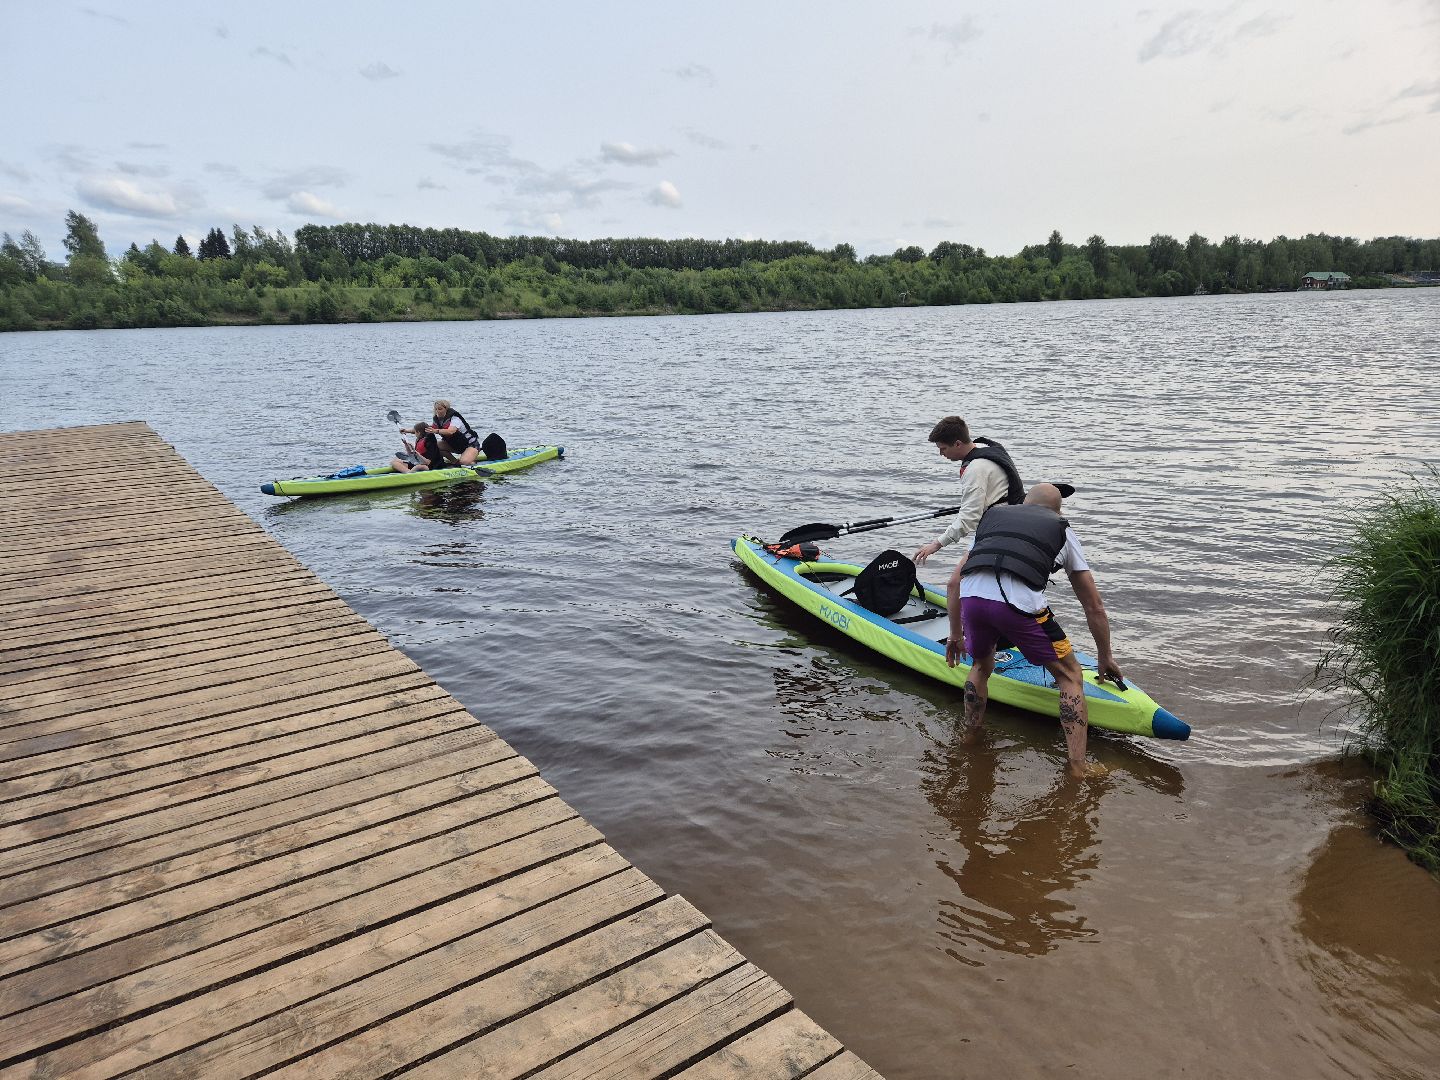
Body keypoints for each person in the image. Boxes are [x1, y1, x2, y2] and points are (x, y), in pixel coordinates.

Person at [943, 483, 1123, 779]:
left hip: (972, 600)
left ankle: (970, 736)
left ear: (1024, 504)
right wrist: (1105, 655)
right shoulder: (1060, 530)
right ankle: (1079, 767)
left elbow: (953, 584)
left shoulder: (992, 522)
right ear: (1057, 511)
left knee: (981, 665)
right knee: (1069, 675)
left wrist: (955, 635)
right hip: (1018, 608)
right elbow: (1094, 606)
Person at [913, 415, 1025, 567]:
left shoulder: (975, 469)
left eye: (943, 448)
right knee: (957, 582)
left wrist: (936, 544)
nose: (941, 454)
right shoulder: (985, 446)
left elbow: (969, 518)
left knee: (954, 584)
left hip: (999, 530)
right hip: (1011, 518)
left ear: (958, 443)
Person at [431, 399, 481, 466]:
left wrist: (436, 431)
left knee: (464, 462)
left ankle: (472, 463)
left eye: (440, 409)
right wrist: (414, 430)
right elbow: (428, 428)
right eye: (436, 409)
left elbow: (451, 431)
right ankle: (455, 462)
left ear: (446, 409)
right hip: (455, 445)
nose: (437, 411)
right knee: (434, 446)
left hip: (470, 445)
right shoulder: (437, 420)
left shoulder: (455, 418)